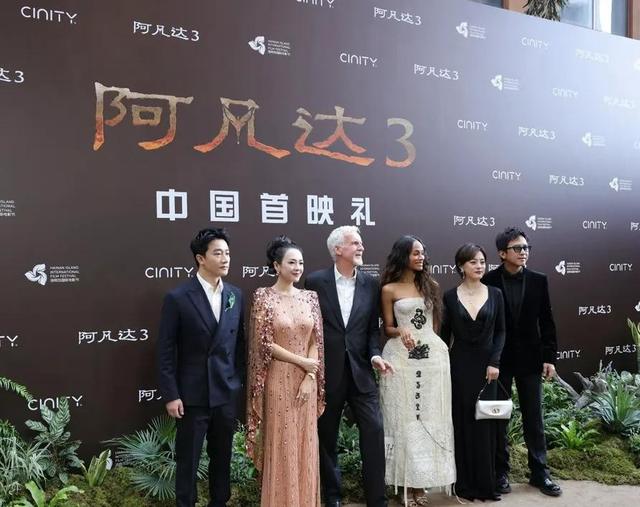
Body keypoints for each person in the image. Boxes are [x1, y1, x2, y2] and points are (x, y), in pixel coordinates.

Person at [157, 228, 245, 507]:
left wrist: (236, 382)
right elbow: (166, 350)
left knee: (223, 458)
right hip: (191, 395)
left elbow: (239, 346)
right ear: (200, 258)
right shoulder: (178, 297)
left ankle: (219, 502)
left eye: (227, 253)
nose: (225, 258)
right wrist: (171, 394)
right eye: (217, 253)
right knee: (188, 461)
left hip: (225, 393)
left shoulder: (235, 294)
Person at [305, 225, 392, 507]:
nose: (361, 247)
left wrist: (375, 355)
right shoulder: (315, 282)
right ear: (338, 249)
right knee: (327, 437)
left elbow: (371, 331)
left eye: (360, 242)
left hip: (362, 372)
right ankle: (332, 496)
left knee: (374, 431)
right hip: (328, 373)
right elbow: (309, 329)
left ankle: (376, 498)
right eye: (355, 243)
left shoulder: (371, 284)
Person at [483, 227, 562, 497]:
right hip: (500, 360)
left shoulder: (539, 280)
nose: (523, 252)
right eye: (517, 248)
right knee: (499, 418)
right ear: (502, 253)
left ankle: (540, 473)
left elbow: (547, 321)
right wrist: (489, 359)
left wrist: (549, 357)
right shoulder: (488, 280)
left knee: (534, 418)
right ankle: (500, 473)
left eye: (526, 248)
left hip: (530, 359)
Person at [246, 235, 325, 507]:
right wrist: (302, 362)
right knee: (282, 444)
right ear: (276, 266)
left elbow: (315, 341)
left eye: (300, 262)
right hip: (278, 379)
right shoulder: (263, 297)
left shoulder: (310, 298)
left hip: (306, 382)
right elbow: (264, 343)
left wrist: (310, 376)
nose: (298, 267)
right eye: (291, 262)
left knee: (305, 444)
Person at [379, 235, 456, 506]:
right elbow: (388, 327)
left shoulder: (430, 285)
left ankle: (421, 483)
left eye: (422, 253)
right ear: (403, 256)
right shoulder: (389, 289)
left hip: (431, 360)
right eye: (415, 253)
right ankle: (404, 483)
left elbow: (434, 327)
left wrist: (428, 344)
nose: (421, 257)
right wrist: (401, 331)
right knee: (403, 420)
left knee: (429, 417)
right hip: (400, 359)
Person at [441, 243, 505, 502]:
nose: (479, 266)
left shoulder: (496, 294)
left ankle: (486, 484)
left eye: (482, 261)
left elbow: (501, 332)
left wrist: (495, 362)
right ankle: (465, 484)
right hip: (459, 366)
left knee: (486, 423)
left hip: (488, 367)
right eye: (473, 262)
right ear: (461, 266)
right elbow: (444, 335)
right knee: (463, 422)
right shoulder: (449, 297)